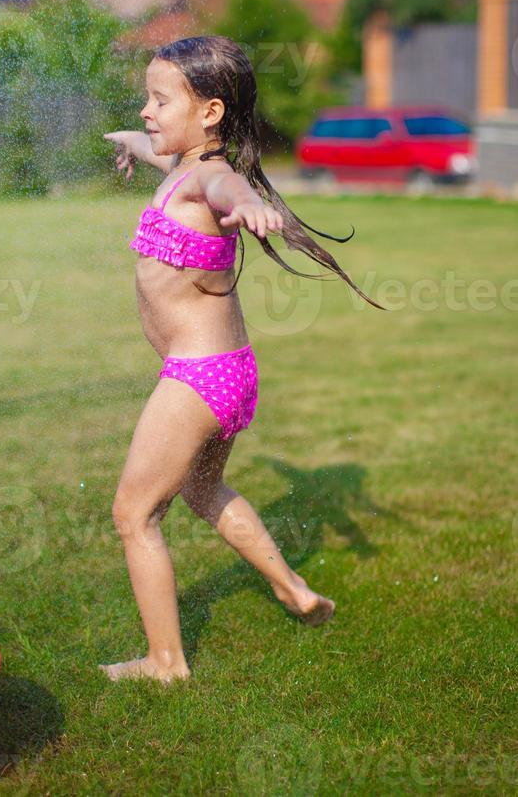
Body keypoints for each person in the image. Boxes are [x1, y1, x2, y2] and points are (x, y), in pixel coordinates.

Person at [100, 36, 385, 684]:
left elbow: (227, 188)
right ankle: (294, 589)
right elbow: (156, 149)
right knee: (203, 490)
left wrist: (250, 206)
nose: (148, 110)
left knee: (134, 514)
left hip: (196, 380)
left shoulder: (209, 178)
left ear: (211, 113)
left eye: (159, 100)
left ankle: (165, 663)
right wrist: (127, 137)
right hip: (230, 374)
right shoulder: (180, 168)